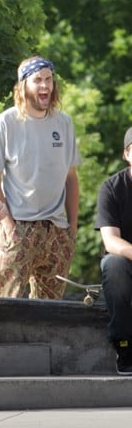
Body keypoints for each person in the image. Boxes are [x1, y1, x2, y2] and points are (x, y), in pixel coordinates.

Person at [0, 56, 81, 299]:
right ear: (23, 85)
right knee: (3, 303)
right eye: (37, 80)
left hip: (57, 230)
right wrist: (8, 226)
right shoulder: (5, 123)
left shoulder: (64, 123)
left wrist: (72, 228)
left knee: (48, 311)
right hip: (18, 227)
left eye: (49, 79)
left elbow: (71, 178)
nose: (45, 86)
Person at [95, 127, 132, 375]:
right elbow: (111, 241)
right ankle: (125, 346)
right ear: (127, 154)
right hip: (126, 262)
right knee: (113, 264)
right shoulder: (111, 188)